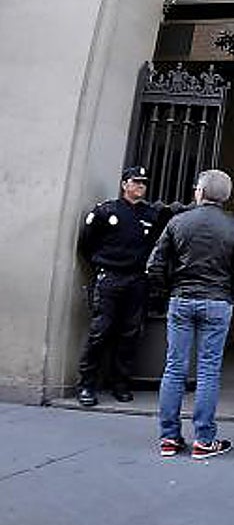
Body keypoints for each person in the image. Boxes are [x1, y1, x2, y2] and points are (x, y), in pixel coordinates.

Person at [148, 169, 234, 459]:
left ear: (199, 192)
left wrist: (169, 289)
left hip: (182, 298)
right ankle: (204, 439)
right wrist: (230, 289)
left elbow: (155, 265)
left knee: (174, 367)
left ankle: (169, 437)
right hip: (218, 300)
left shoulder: (178, 222)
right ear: (226, 196)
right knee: (208, 369)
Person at [75, 165, 173, 407]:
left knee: (130, 333)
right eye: (135, 181)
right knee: (100, 330)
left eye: (143, 182)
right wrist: (102, 267)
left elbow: (157, 246)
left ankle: (120, 382)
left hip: (137, 279)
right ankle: (87, 384)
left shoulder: (151, 214)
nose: (140, 186)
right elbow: (87, 244)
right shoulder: (106, 211)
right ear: (124, 184)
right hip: (110, 277)